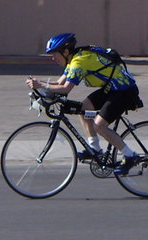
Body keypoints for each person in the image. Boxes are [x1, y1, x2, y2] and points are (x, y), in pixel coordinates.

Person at [26, 33, 141, 175]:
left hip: (125, 91)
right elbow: (58, 83)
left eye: (55, 54)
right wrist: (40, 86)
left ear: (65, 51)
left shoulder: (79, 62)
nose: (53, 58)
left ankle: (130, 156)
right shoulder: (73, 59)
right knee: (84, 108)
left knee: (99, 125)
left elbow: (65, 89)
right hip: (111, 89)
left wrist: (41, 85)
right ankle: (95, 149)